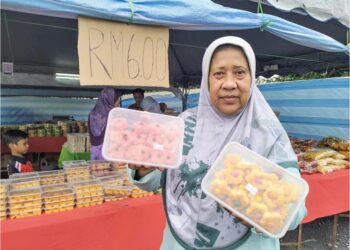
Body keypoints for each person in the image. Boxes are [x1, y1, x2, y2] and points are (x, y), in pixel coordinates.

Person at [128, 36, 307, 250]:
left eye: (240, 72)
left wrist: (264, 213)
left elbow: (295, 208)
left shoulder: (268, 132)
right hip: (179, 242)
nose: (229, 84)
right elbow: (158, 180)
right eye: (219, 73)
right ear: (207, 80)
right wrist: (142, 170)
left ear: (252, 78)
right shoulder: (185, 123)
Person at [88, 87, 123, 160]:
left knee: (97, 169)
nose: (118, 103)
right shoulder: (111, 115)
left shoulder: (92, 113)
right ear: (109, 100)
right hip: (108, 150)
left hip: (94, 150)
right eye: (116, 100)